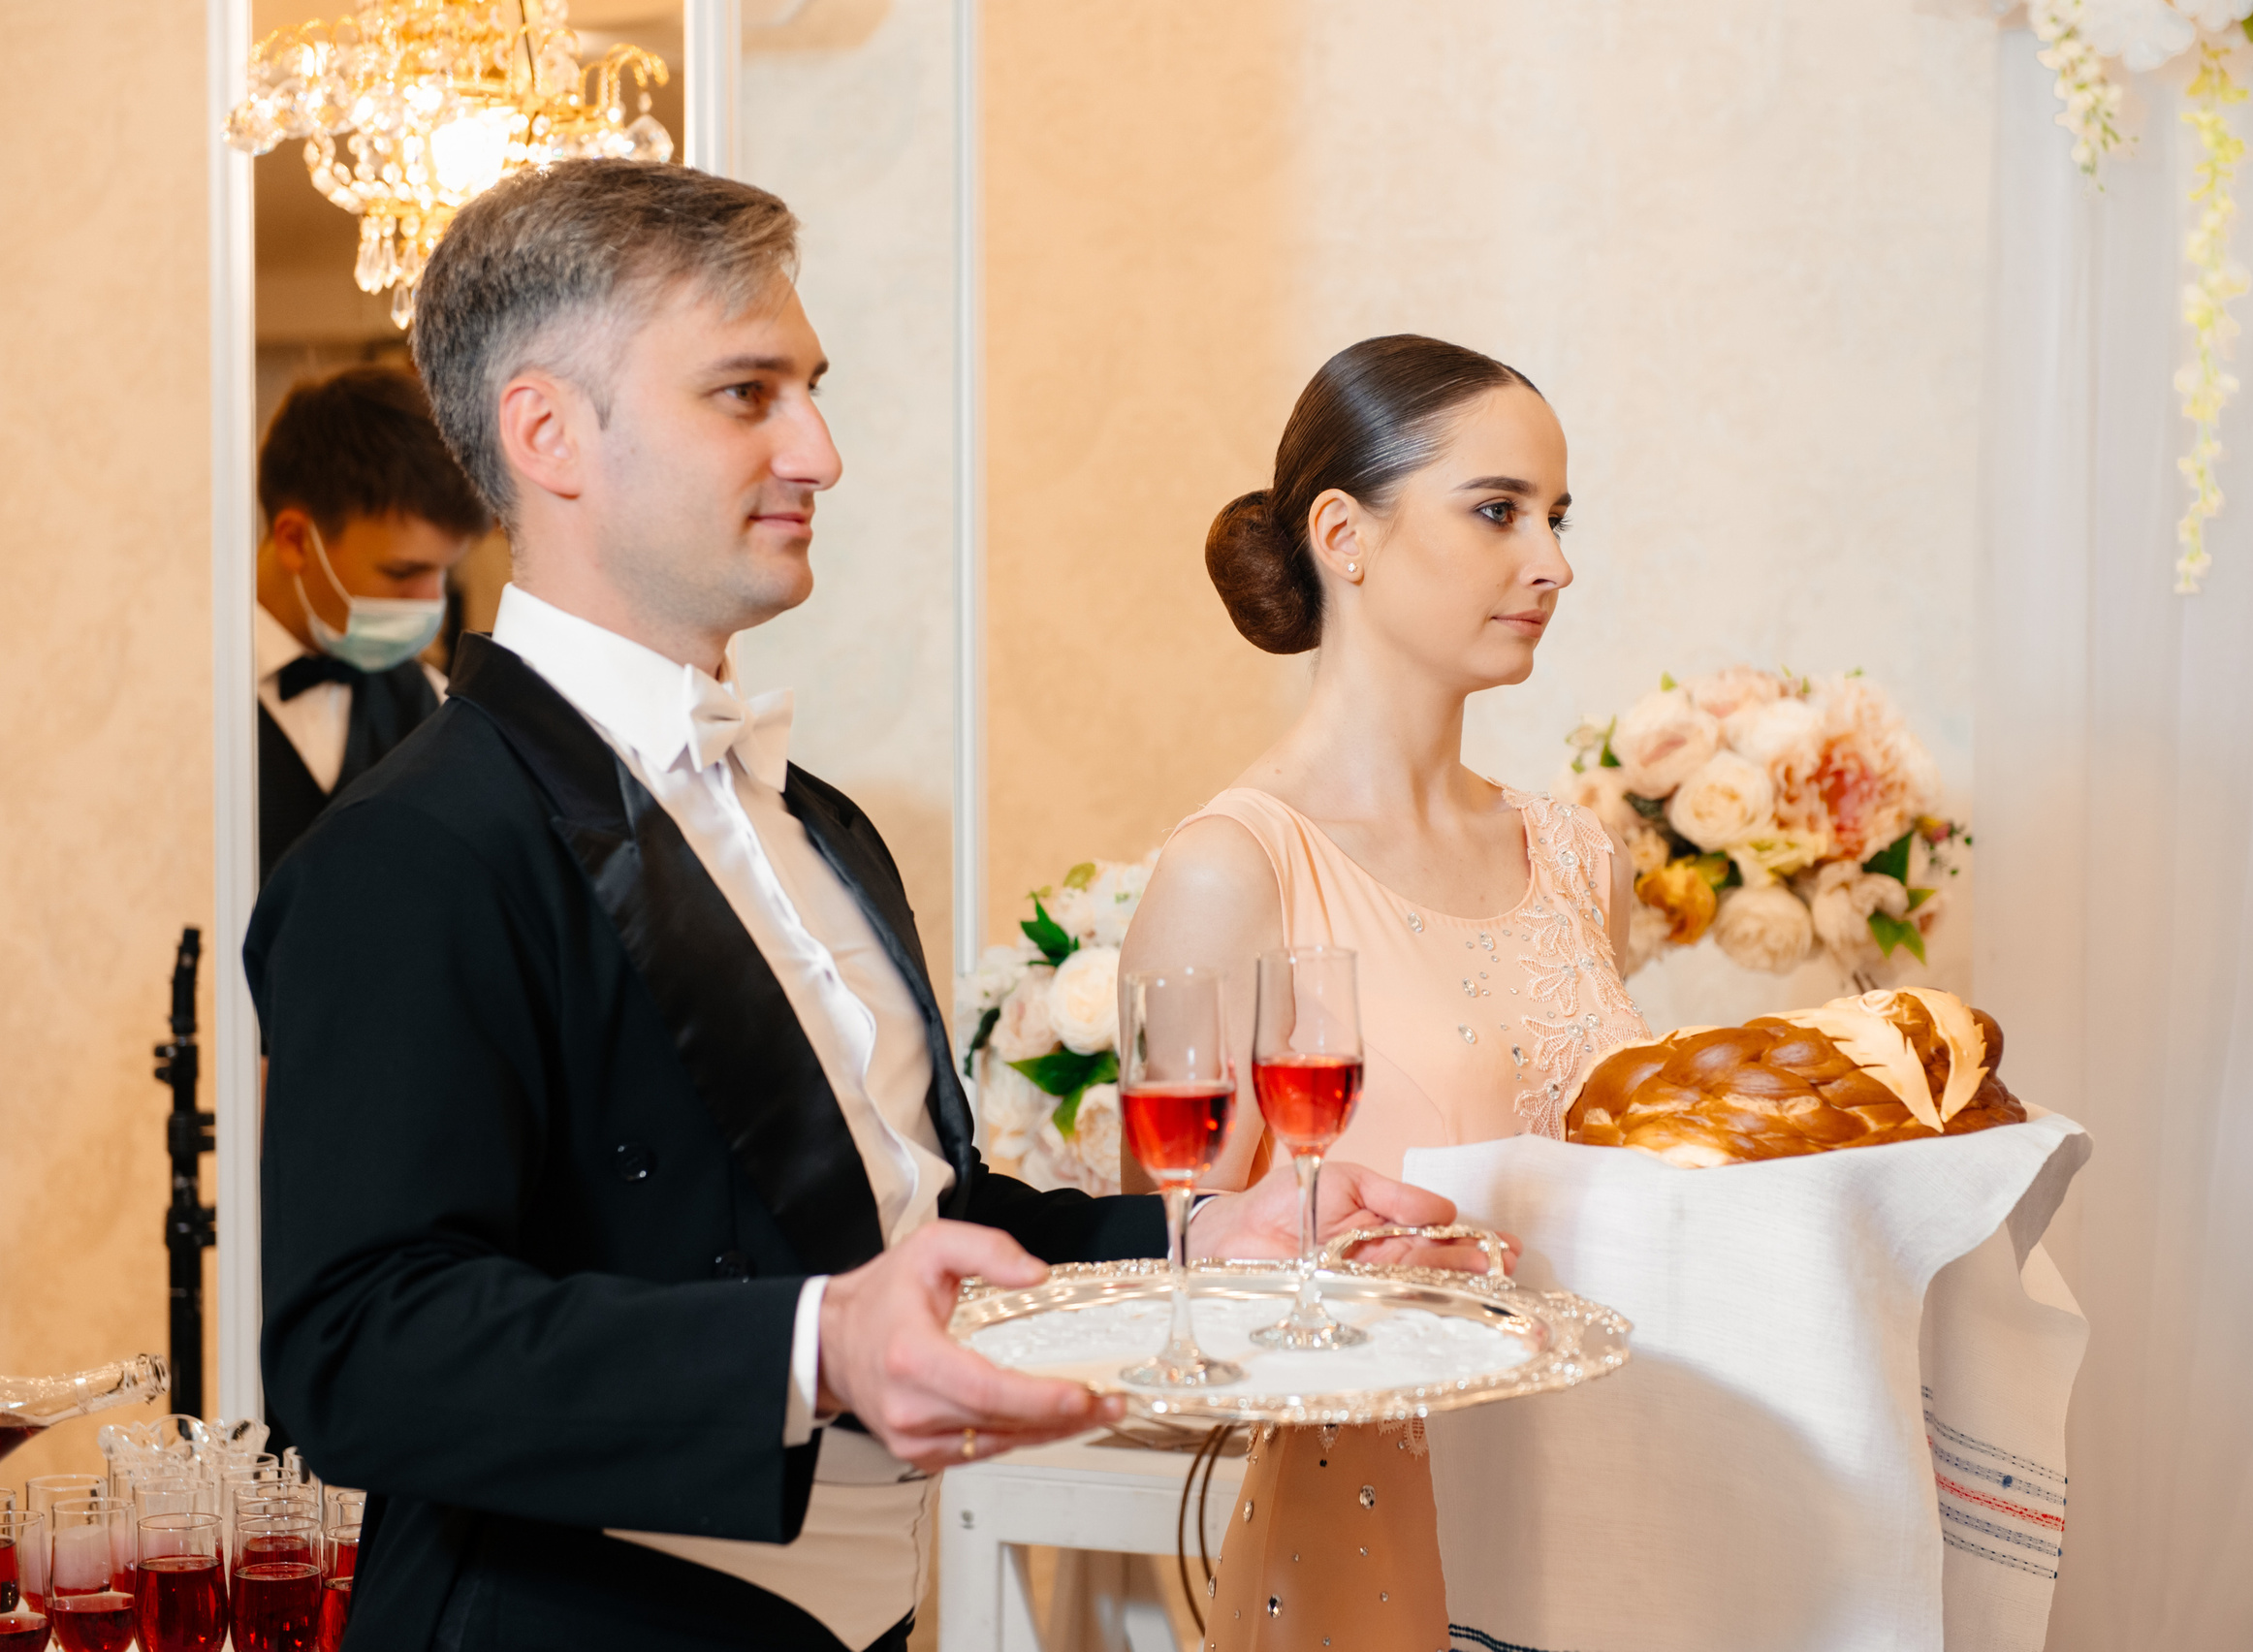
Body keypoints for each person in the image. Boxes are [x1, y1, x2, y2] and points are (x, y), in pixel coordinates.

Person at [245, 163, 1473, 1652]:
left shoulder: (819, 824)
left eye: (810, 390)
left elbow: (917, 1227)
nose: (818, 449)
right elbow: (359, 1352)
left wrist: (1199, 1241)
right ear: (548, 433)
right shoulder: (415, 848)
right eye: (747, 394)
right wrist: (814, 1346)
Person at [1120, 334, 1653, 1651]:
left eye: (1557, 517)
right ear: (1344, 536)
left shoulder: (1585, 854)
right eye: (1498, 512)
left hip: (1617, 1514)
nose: (1554, 562)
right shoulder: (1228, 868)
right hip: (1367, 1530)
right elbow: (1166, 1286)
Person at [254, 364, 491, 879]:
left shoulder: (435, 705)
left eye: (444, 573)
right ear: (296, 540)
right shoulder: (180, 702)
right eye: (404, 571)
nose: (432, 601)